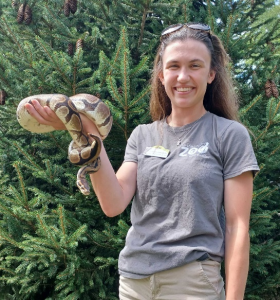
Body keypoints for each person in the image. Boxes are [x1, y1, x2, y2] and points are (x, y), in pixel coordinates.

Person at [25, 23, 259, 300]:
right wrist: (80, 128)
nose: (183, 76)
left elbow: (237, 227)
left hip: (193, 283)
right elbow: (114, 203)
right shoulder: (143, 135)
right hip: (134, 282)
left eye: (195, 66)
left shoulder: (230, 134)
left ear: (211, 74)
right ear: (161, 75)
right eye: (174, 66)